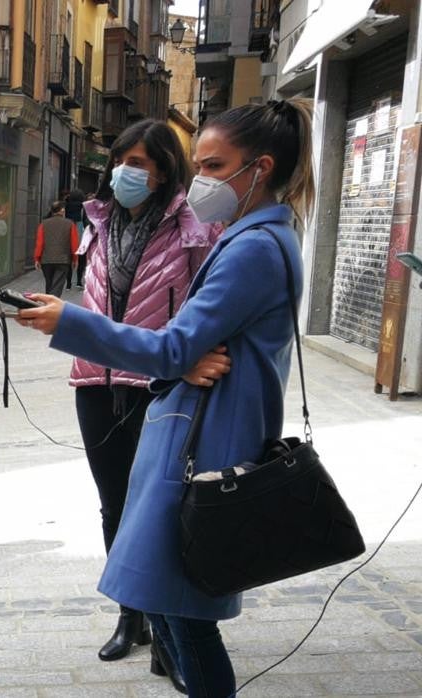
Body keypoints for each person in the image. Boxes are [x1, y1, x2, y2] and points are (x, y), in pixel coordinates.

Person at [18, 98, 315, 698]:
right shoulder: (252, 235)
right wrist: (185, 357)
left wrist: (69, 324)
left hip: (207, 441)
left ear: (258, 168)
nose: (200, 179)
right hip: (193, 424)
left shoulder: (253, 246)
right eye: (199, 165)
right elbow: (192, 346)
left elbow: (175, 346)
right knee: (173, 599)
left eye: (212, 166)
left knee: (186, 611)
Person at [60, 118, 215, 683]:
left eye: (139, 163)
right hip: (95, 383)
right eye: (121, 161)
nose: (126, 172)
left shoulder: (193, 228)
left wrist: (193, 360)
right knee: (114, 506)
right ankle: (131, 616)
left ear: (164, 170)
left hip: (157, 385)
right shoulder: (98, 223)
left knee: (162, 508)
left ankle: (170, 633)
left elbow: (205, 309)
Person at [34, 200, 79, 296]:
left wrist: (37, 258)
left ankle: (48, 304)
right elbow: (74, 244)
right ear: (62, 210)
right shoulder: (70, 224)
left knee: (49, 284)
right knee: (57, 286)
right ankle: (51, 306)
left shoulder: (43, 224)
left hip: (46, 260)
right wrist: (75, 259)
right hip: (63, 260)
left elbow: (39, 242)